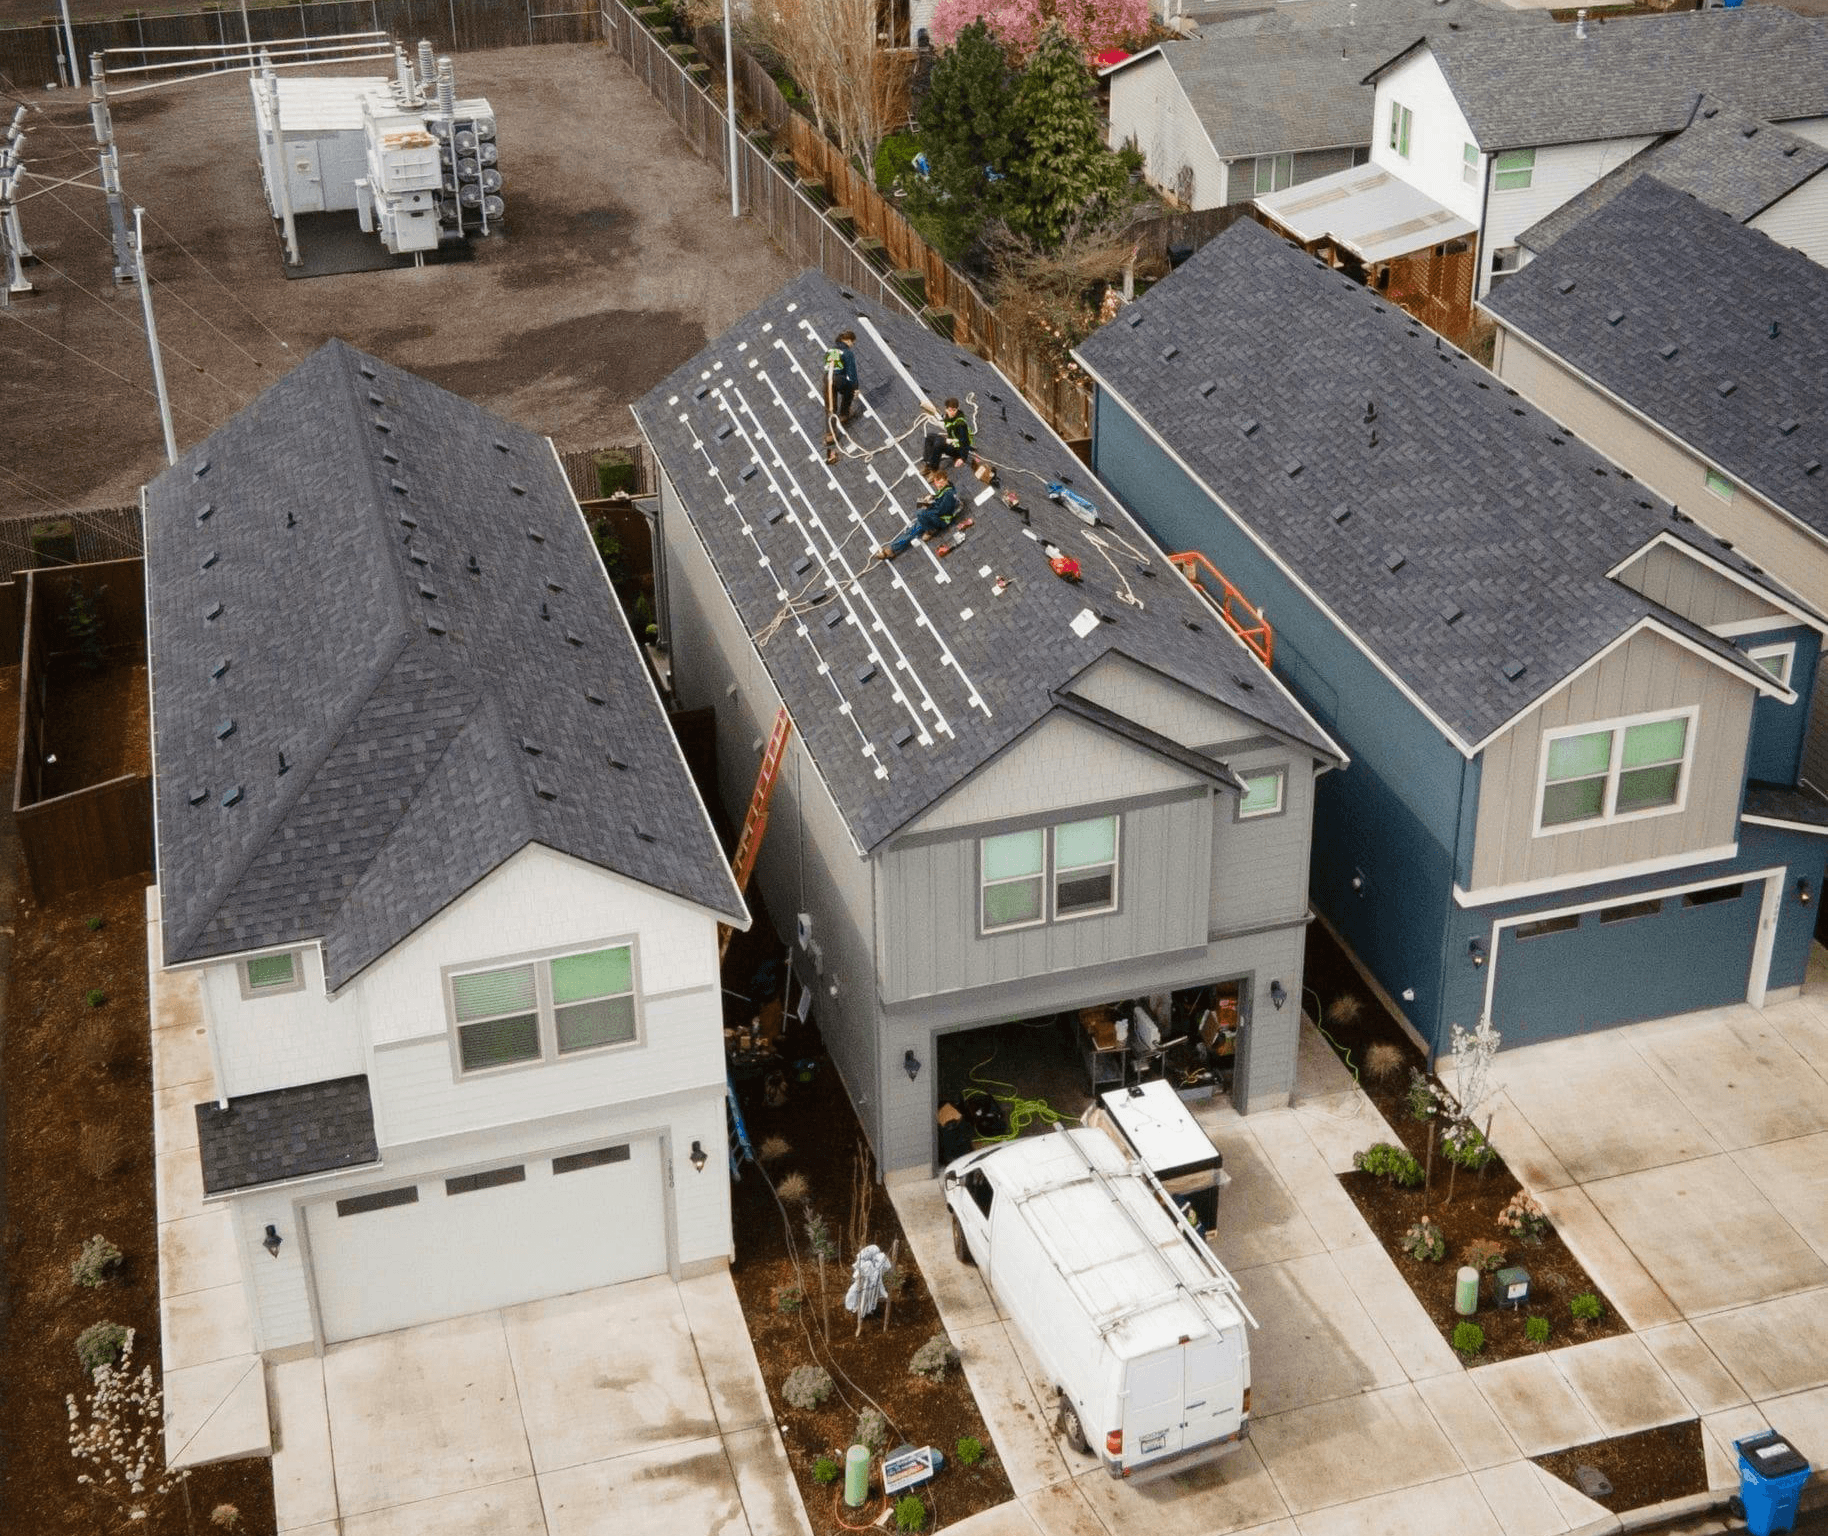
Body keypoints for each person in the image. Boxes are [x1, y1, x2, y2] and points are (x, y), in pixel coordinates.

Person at [878, 468, 959, 559]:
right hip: (934, 516)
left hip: (941, 520)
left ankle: (931, 530)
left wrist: (927, 505)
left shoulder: (949, 494)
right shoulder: (945, 489)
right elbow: (938, 502)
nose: (938, 484)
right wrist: (928, 500)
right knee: (912, 531)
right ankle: (892, 549)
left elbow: (941, 511)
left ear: (946, 479)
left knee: (920, 513)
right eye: (937, 481)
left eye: (941, 481)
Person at [922, 397, 973, 472]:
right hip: (951, 441)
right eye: (950, 410)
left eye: (954, 410)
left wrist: (963, 458)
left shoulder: (960, 424)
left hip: (957, 449)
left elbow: (965, 442)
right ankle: (928, 461)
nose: (952, 412)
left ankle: (933, 468)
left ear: (957, 409)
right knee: (929, 437)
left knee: (938, 443)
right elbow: (943, 418)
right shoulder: (947, 417)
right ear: (946, 409)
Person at [826, 330, 858, 425]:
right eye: (853, 343)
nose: (852, 345)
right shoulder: (847, 352)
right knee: (849, 390)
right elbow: (852, 373)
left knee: (831, 407)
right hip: (838, 378)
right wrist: (855, 388)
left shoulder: (832, 350)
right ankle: (844, 414)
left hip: (827, 380)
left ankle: (829, 434)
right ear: (848, 340)